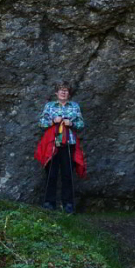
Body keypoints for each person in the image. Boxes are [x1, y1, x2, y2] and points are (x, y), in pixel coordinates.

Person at [34, 81, 86, 214]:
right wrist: (52, 121)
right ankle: (49, 203)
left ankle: (68, 204)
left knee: (67, 174)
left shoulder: (74, 106)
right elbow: (41, 123)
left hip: (69, 143)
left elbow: (81, 124)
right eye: (61, 90)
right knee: (51, 174)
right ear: (56, 93)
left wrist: (72, 123)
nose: (63, 92)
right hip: (52, 144)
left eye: (66, 90)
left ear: (69, 93)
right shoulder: (49, 106)